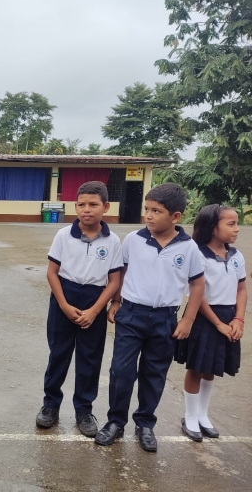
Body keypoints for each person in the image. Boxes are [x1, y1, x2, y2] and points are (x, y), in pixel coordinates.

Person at [95, 183, 206, 453]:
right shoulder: (134, 240)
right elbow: (121, 273)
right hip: (131, 315)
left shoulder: (189, 248)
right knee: (121, 370)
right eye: (147, 209)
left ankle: (145, 424)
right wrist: (116, 301)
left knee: (154, 373)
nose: (149, 215)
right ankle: (115, 421)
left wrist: (188, 320)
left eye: (156, 211)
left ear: (175, 216)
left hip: (165, 319)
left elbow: (198, 285)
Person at [36, 182, 124, 437]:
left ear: (105, 207)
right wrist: (63, 305)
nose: (87, 210)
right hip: (64, 295)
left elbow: (114, 280)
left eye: (93, 205)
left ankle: (84, 410)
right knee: (59, 354)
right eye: (82, 204)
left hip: (94, 299)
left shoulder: (112, 241)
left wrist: (96, 310)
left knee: (90, 359)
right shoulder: (64, 235)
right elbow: (52, 273)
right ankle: (50, 405)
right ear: (75, 206)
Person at [173, 204, 246, 440]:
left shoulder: (236, 256)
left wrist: (238, 319)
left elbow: (241, 289)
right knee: (197, 367)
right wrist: (218, 324)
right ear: (213, 227)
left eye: (237, 223)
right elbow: (198, 296)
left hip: (228, 317)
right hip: (204, 317)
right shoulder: (198, 255)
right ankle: (190, 416)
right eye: (231, 224)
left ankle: (203, 415)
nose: (237, 229)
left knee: (211, 367)